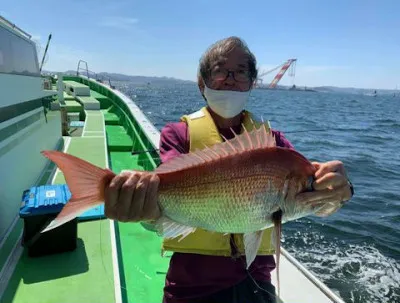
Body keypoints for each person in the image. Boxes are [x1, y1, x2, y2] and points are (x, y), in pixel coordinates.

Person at [104, 36, 354, 303]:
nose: (231, 78)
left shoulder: (275, 144)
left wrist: (338, 193)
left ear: (252, 83)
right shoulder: (178, 134)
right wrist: (144, 211)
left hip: (256, 283)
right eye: (220, 70)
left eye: (241, 71)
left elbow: (317, 200)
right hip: (190, 286)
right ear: (202, 83)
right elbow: (162, 198)